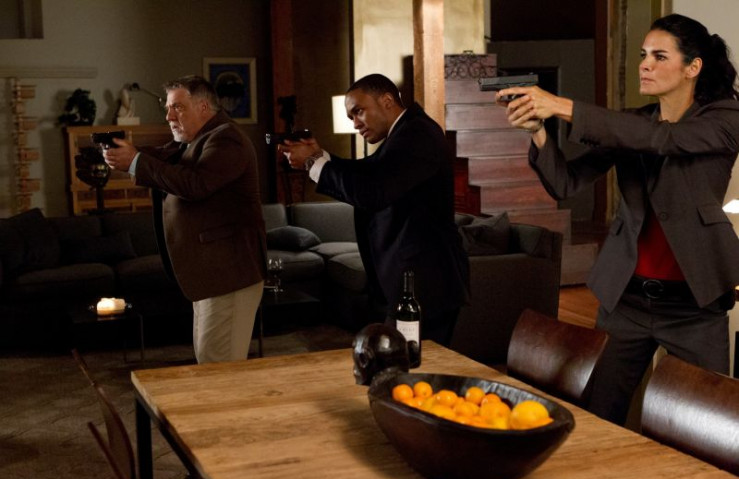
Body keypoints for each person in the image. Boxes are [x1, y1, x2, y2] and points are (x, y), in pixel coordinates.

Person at [497, 14, 739, 425]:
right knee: (598, 415)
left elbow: (664, 140)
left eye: (659, 56)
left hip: (694, 309)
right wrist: (538, 131)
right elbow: (565, 182)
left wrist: (561, 105)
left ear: (692, 67)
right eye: (643, 55)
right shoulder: (631, 124)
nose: (645, 65)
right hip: (625, 302)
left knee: (703, 423)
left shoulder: (726, 119)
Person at [280, 73, 469, 346]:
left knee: (406, 364)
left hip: (425, 284)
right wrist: (321, 157)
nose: (355, 123)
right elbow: (369, 171)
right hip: (415, 283)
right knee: (404, 363)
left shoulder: (417, 133)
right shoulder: (404, 133)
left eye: (359, 111)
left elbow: (372, 192)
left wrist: (312, 163)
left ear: (387, 101)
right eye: (351, 117)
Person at [103, 75, 267, 364]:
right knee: (211, 363)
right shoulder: (195, 141)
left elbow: (195, 184)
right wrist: (123, 154)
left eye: (177, 107)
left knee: (220, 369)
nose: (168, 116)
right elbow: (162, 157)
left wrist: (135, 161)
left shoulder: (227, 139)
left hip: (228, 275)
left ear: (203, 107)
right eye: (168, 108)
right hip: (213, 276)